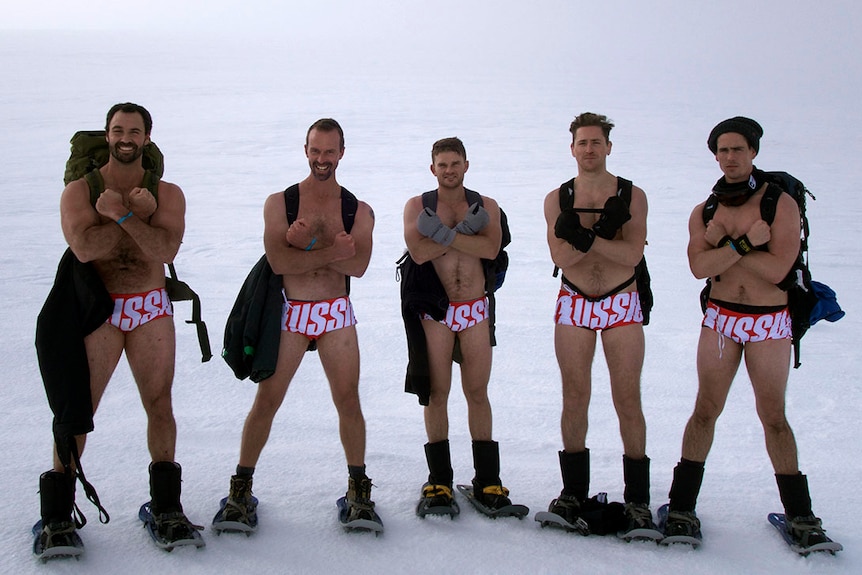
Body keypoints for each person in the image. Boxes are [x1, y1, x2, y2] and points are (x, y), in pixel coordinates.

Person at [662, 116, 832, 548]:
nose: (730, 158)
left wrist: (724, 249)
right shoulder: (707, 209)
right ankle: (681, 507)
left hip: (769, 322)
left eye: (738, 149)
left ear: (754, 152)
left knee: (773, 416)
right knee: (705, 409)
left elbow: (779, 271)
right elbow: (698, 268)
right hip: (720, 319)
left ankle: (801, 516)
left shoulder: (780, 205)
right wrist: (743, 245)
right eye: (722, 151)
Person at [36, 102, 198, 551]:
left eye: (134, 130)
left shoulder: (168, 194)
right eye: (117, 129)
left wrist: (126, 215)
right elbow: (86, 249)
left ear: (147, 138)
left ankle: (166, 507)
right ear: (107, 136)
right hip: (100, 310)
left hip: (149, 306)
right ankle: (56, 517)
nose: (125, 137)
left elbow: (165, 249)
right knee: (78, 409)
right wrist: (128, 217)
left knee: (159, 403)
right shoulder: (79, 191)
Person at [215, 118, 378, 529]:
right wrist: (326, 249)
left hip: (335, 313)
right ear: (306, 150)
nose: (322, 159)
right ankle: (241, 488)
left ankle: (358, 491)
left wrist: (305, 245)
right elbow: (280, 262)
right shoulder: (280, 203)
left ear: (342, 153)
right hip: (291, 312)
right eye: (316, 150)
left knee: (348, 400)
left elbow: (357, 265)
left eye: (330, 151)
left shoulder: (358, 209)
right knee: (267, 402)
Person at [542, 112, 656, 537]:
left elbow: (631, 258)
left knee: (627, 397)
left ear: (609, 147)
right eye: (582, 142)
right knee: (575, 395)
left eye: (596, 142)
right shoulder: (557, 198)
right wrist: (600, 238)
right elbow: (562, 259)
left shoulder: (632, 195)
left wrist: (586, 237)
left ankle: (638, 501)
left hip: (621, 300)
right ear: (571, 148)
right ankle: (573, 492)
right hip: (574, 301)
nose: (589, 149)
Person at [403, 137, 515, 514]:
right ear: (432, 168)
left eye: (455, 163)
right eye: (442, 164)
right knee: (437, 392)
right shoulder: (418, 206)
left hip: (474, 309)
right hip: (437, 309)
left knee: (477, 391)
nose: (449, 170)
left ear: (466, 165)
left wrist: (442, 236)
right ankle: (440, 481)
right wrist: (467, 234)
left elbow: (491, 250)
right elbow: (418, 253)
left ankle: (488, 480)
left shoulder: (488, 205)